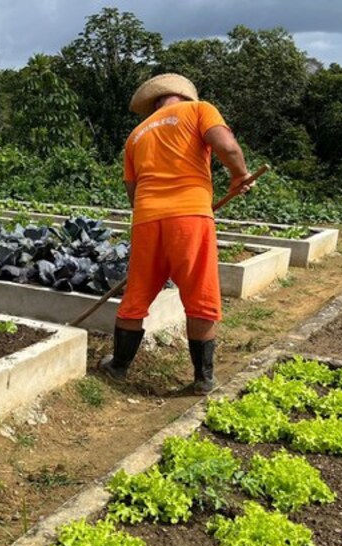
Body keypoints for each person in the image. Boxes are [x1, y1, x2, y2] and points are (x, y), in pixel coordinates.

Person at [99, 73, 254, 394]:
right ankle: (203, 378)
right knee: (200, 295)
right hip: (190, 215)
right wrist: (240, 175)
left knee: (137, 296)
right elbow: (227, 147)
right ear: (185, 97)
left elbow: (132, 190)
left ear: (154, 104)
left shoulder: (136, 134)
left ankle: (118, 368)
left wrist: (153, 209)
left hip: (146, 219)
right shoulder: (199, 111)